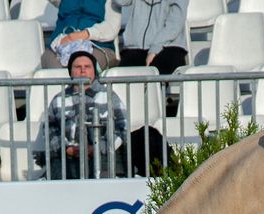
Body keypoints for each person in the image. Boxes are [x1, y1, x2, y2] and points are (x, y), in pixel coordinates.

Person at [34, 50, 127, 180]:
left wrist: (99, 147)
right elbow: (50, 128)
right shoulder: (58, 99)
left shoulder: (109, 96)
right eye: (78, 67)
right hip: (67, 159)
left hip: (104, 156)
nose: (83, 70)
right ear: (70, 72)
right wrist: (66, 148)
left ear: (94, 71)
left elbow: (122, 126)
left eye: (87, 67)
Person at [41, 0, 122, 70]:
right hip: (62, 45)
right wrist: (67, 39)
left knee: (84, 67)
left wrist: (84, 34)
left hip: (98, 46)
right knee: (51, 63)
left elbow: (111, 27)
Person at [117, 0, 189, 76]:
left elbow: (175, 23)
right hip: (135, 47)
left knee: (164, 70)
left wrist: (155, 48)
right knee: (122, 77)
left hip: (169, 46)